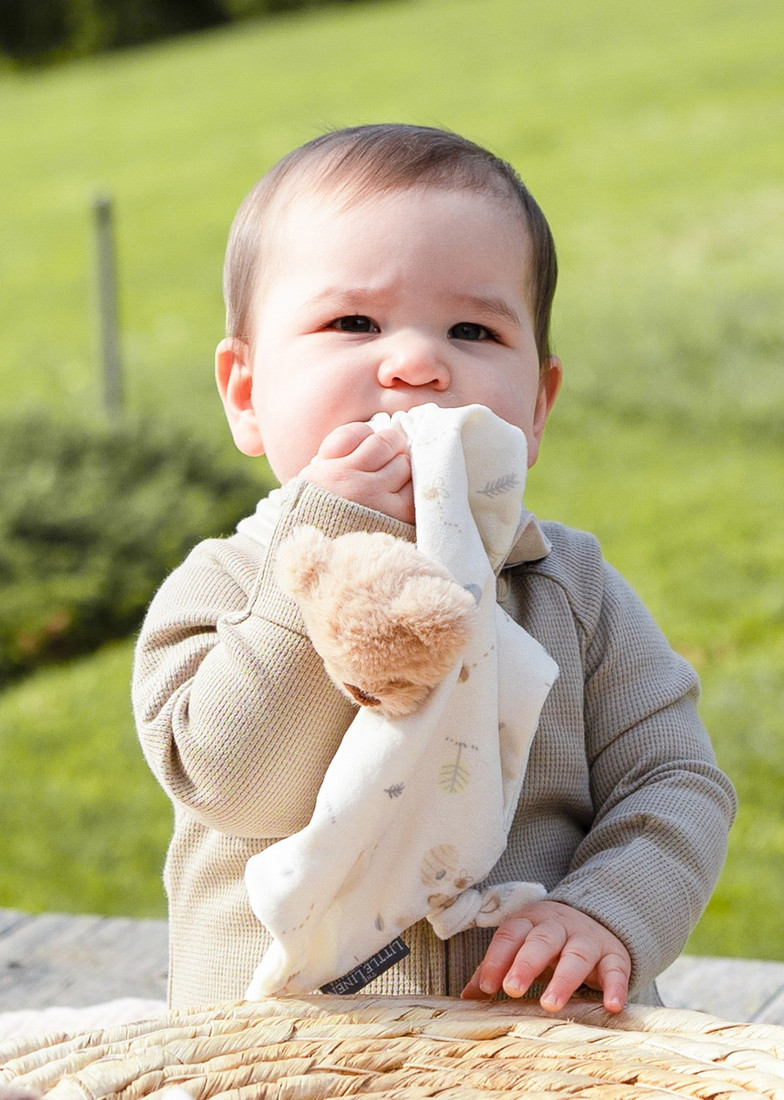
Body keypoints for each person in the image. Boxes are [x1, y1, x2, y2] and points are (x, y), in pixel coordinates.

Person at [132, 123, 736, 1013]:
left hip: (539, 1039)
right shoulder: (226, 586)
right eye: (353, 323)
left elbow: (676, 780)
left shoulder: (568, 586)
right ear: (247, 394)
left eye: (472, 329)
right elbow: (230, 782)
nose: (417, 364)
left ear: (537, 407)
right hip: (286, 1049)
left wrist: (605, 910)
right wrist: (327, 549)